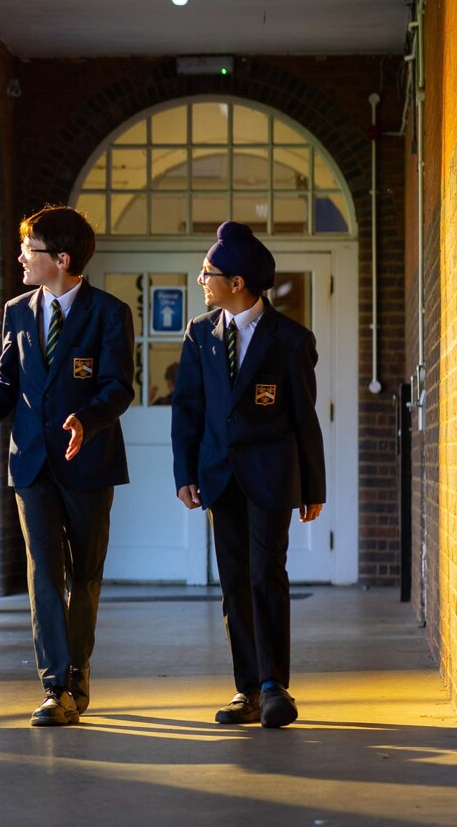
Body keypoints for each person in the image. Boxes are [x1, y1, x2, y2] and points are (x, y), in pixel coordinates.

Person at [0, 205, 134, 726]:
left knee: (85, 575)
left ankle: (77, 674)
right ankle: (56, 686)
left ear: (62, 258)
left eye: (30, 250)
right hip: (31, 463)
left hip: (89, 461)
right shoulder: (18, 310)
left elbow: (119, 387)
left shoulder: (109, 313)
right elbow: (7, 381)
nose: (21, 258)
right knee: (45, 574)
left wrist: (88, 420)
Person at [170, 221, 326, 729]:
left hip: (272, 476)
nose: (202, 280)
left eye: (208, 272)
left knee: (266, 575)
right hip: (217, 476)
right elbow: (187, 410)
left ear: (237, 282)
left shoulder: (290, 340)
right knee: (233, 581)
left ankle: (274, 686)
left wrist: (313, 486)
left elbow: (305, 415)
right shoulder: (199, 333)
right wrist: (184, 473)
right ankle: (247, 689)